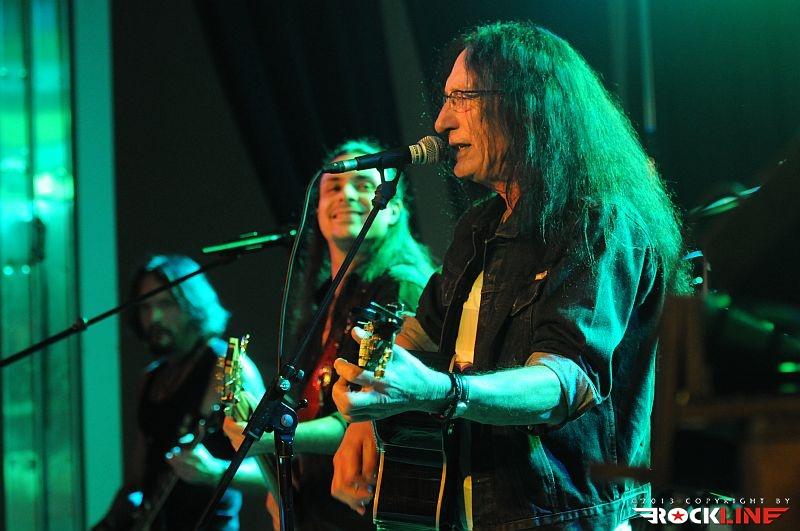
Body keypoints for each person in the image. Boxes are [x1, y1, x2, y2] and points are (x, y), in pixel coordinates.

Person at [331, 22, 689, 529]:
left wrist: (441, 391)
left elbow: (565, 382)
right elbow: (422, 330)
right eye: (445, 100)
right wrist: (369, 413)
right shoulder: (480, 224)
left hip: (566, 516)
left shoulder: (601, 221)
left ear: (526, 105)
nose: (441, 122)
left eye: (461, 98)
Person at [224, 138, 436, 530]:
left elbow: (373, 408)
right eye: (333, 187)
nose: (346, 195)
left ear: (394, 210)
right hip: (320, 508)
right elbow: (310, 406)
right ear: (318, 211)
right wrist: (280, 480)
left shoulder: (401, 287)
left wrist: (277, 436)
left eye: (362, 185)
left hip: (365, 510)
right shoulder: (321, 302)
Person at [93, 255, 267, 531]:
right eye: (146, 307)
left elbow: (272, 472)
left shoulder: (228, 368)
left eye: (166, 304)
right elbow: (137, 479)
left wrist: (215, 472)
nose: (154, 317)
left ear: (193, 304)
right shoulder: (151, 378)